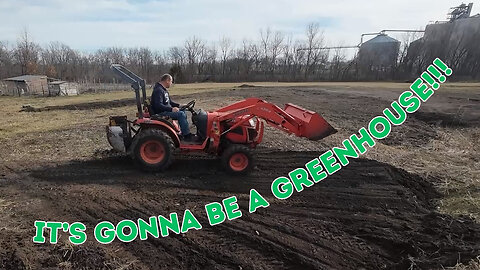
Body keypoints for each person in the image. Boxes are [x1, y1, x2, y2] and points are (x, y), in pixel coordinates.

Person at [151, 74, 193, 141]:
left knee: (183, 110)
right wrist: (171, 109)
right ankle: (186, 135)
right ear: (167, 80)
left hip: (165, 110)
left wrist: (179, 105)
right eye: (171, 81)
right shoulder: (158, 90)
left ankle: (183, 132)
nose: (171, 83)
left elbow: (170, 102)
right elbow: (158, 105)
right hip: (161, 113)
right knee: (181, 114)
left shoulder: (163, 90)